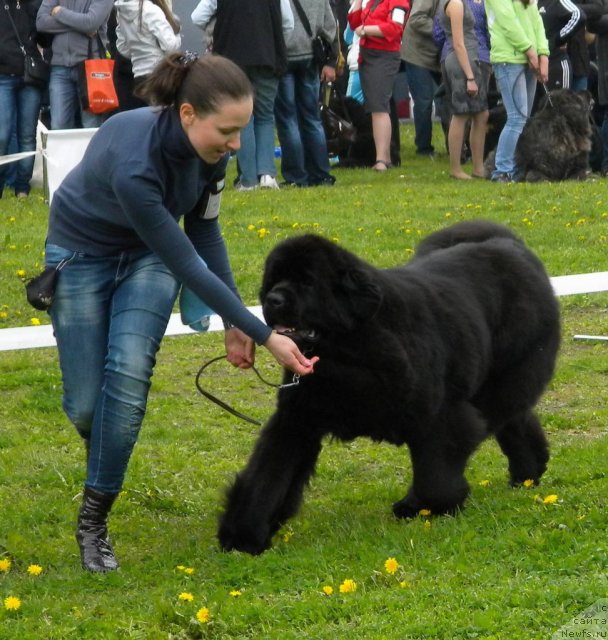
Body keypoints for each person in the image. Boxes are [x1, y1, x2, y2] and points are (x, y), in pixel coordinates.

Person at [43, 52, 319, 573]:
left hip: (147, 262)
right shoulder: (135, 163)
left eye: (241, 130)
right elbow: (186, 261)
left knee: (125, 378)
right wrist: (265, 334)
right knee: (86, 408)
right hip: (80, 257)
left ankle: (93, 523)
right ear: (188, 114)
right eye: (228, 130)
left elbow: (204, 232)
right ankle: (107, 448)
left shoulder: (212, 157)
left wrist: (236, 321)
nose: (237, 144)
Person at [191, 0, 294, 190]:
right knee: (265, 116)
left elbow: (197, 17)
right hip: (267, 58)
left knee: (242, 121)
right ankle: (267, 175)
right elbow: (288, 24)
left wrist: (219, 27)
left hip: (232, 61)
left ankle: (248, 180)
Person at [274, 0, 338, 187]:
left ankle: (297, 176)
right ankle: (320, 173)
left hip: (284, 55)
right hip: (311, 55)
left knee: (287, 119)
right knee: (312, 118)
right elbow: (330, 25)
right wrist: (330, 60)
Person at [484, 0, 550, 182]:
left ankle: (515, 169)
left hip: (529, 59)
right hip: (508, 59)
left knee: (524, 118)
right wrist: (530, 50)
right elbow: (508, 21)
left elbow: (537, 22)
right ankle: (502, 171)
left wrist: (543, 53)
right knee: (516, 118)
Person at [348, 0, 409, 171]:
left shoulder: (398, 2)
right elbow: (353, 21)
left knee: (380, 107)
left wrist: (366, 31)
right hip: (367, 56)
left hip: (384, 56)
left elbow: (395, 29)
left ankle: (383, 158)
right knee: (375, 108)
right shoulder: (371, 3)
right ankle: (382, 156)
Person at [434, 0, 491, 179]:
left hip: (466, 58)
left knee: (480, 114)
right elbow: (458, 43)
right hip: (461, 61)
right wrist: (470, 77)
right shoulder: (456, 4)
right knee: (461, 114)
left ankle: (478, 167)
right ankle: (456, 169)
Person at [36, 0, 114, 129]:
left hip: (91, 69)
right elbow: (41, 23)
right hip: (59, 67)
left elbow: (91, 23)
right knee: (58, 127)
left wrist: (60, 12)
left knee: (91, 127)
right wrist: (81, 24)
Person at [1, 0, 49, 198]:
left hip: (30, 77)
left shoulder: (34, 4)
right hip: (3, 76)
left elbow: (45, 39)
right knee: (2, 135)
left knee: (27, 136)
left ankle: (22, 188)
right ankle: (2, 185)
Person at [115, 0, 182, 107]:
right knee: (162, 119)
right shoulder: (152, 10)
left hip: (138, 76)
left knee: (145, 119)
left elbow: (123, 48)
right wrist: (177, 34)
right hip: (159, 75)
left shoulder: (122, 11)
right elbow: (171, 47)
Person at [400, 0, 443, 157]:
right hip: (416, 54)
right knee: (424, 101)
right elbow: (416, 19)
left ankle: (455, 147)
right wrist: (444, 30)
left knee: (448, 99)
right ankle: (424, 148)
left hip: (439, 54)